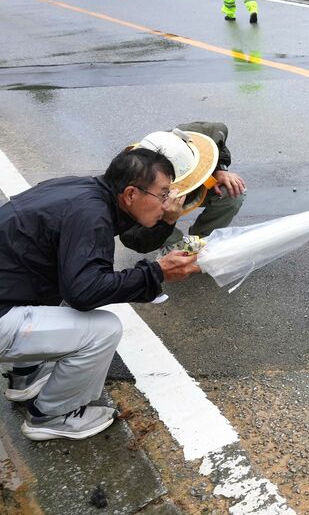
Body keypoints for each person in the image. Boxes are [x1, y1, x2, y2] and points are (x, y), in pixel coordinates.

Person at [0, 149, 200, 441]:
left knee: (61, 272)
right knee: (104, 329)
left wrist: (166, 221)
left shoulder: (81, 191)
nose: (169, 202)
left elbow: (135, 239)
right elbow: (85, 292)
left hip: (10, 289)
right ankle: (52, 415)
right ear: (131, 193)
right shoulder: (91, 214)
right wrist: (156, 273)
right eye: (164, 193)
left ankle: (26, 376)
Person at [119, 122, 247, 255]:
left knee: (233, 190)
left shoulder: (188, 135)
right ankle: (173, 244)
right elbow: (134, 237)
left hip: (198, 183)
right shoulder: (128, 184)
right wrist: (166, 221)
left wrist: (218, 169)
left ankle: (202, 239)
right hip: (156, 204)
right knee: (149, 220)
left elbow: (219, 131)